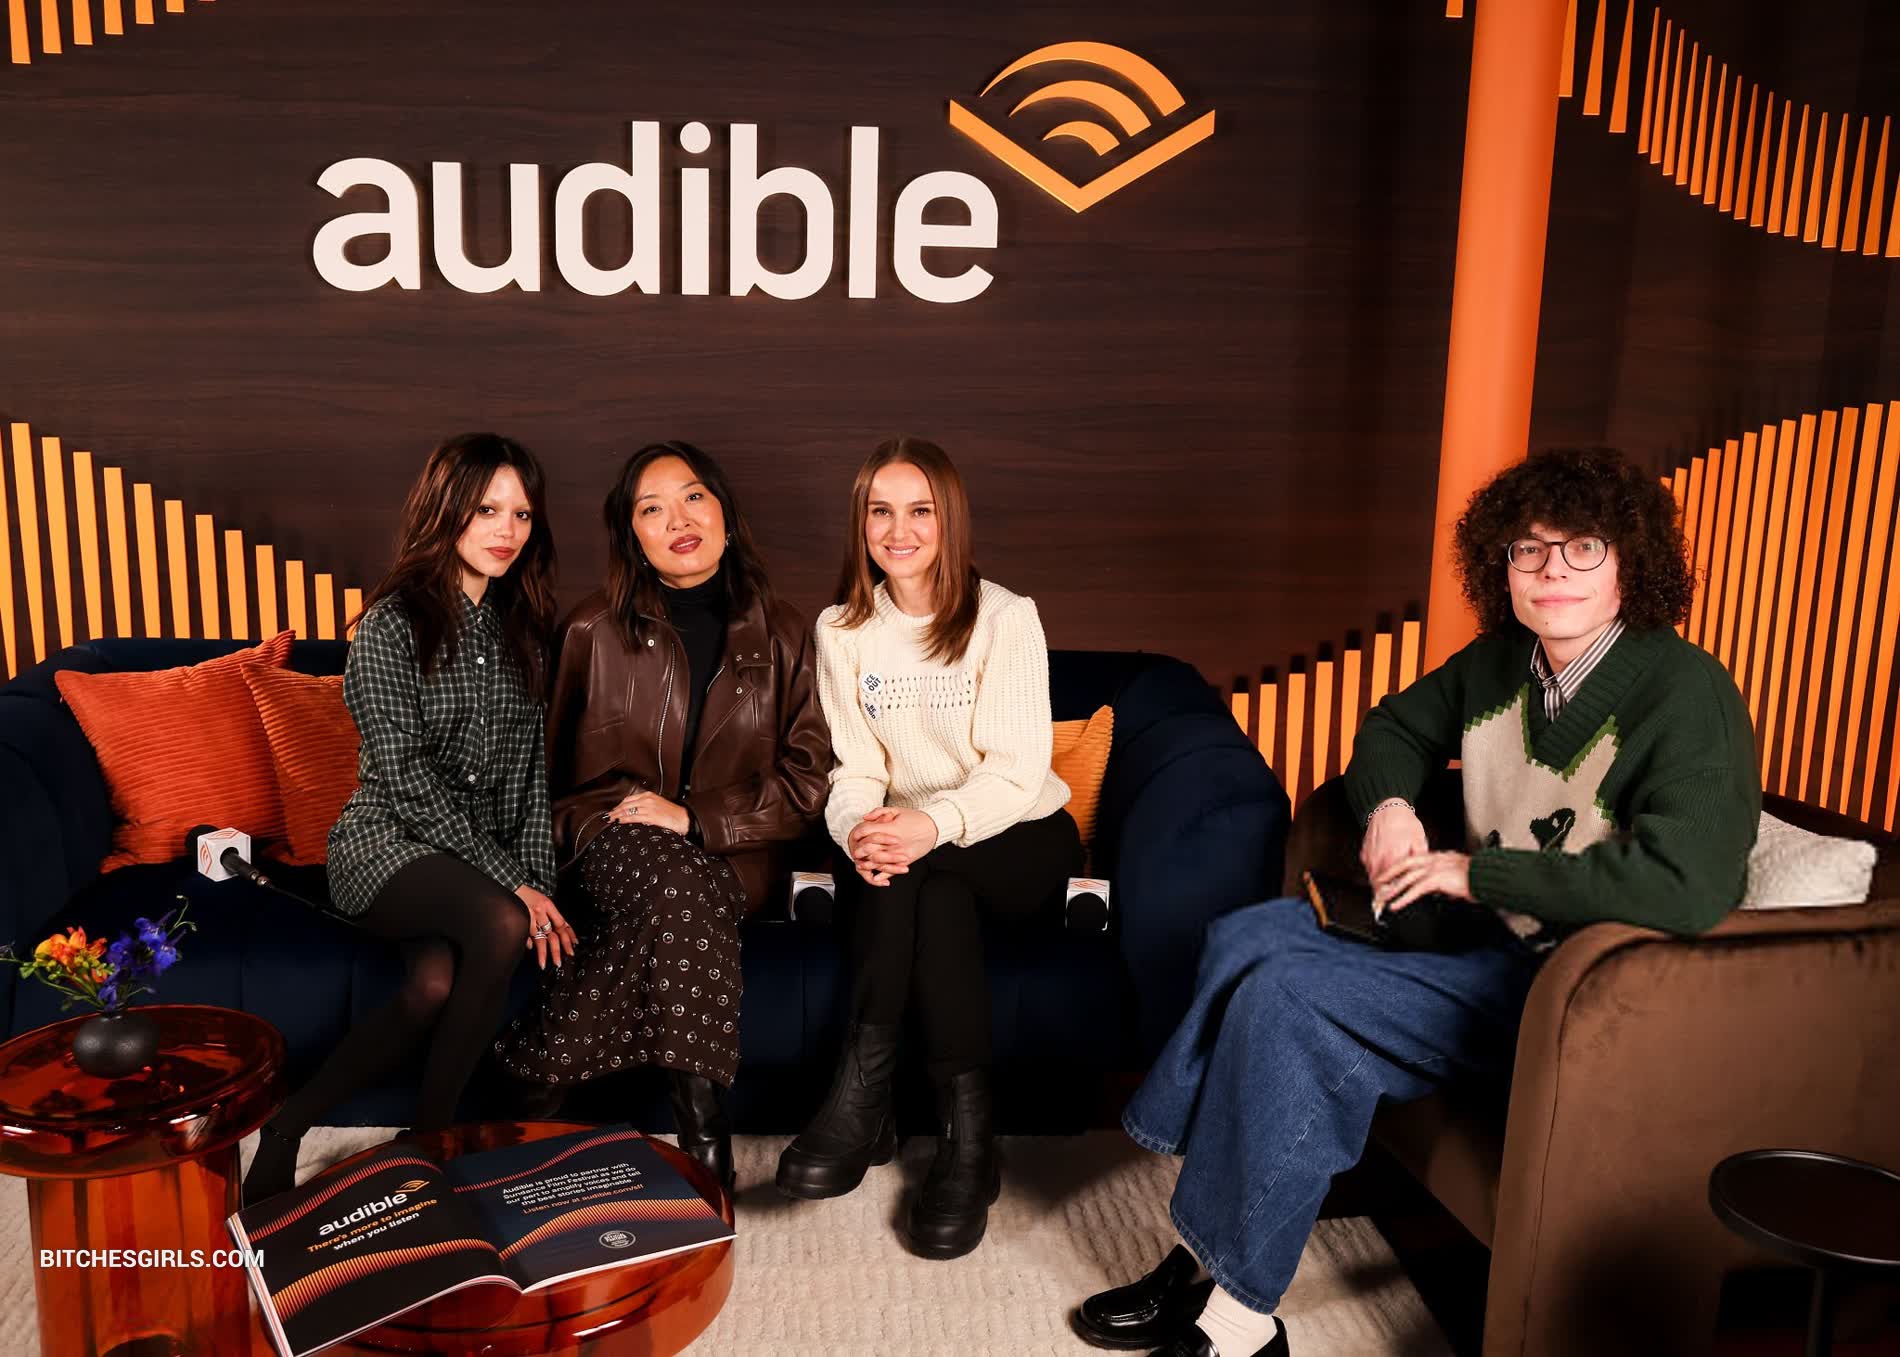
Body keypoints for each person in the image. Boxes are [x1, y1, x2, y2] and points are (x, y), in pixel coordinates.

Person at [1073, 445, 1760, 1357]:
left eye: (1583, 547)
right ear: (1501, 566)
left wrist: (1478, 875)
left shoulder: (1687, 692)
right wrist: (1391, 806)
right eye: (1529, 548)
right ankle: (1204, 1256)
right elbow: (1394, 727)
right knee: (1251, 935)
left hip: (1572, 986)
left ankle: (1238, 1323)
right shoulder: (1503, 662)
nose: (1552, 570)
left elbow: (1688, 883)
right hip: (1476, 939)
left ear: (1631, 561)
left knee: (1289, 1002)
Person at [492, 441, 830, 1193]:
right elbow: (540, 772)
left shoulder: (783, 633)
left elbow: (809, 783)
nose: (678, 520)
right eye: (652, 508)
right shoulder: (591, 629)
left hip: (733, 860)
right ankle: (705, 1145)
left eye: (693, 497)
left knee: (684, 891)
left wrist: (696, 817)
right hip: (607, 841)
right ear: (632, 535)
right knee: (678, 886)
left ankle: (529, 1083)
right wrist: (534, 871)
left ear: (725, 515)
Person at [775, 436, 1083, 1260]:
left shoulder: (1006, 617)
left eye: (920, 511)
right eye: (881, 511)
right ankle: (967, 1143)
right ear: (861, 523)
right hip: (917, 852)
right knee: (929, 890)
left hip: (1020, 836)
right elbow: (855, 770)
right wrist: (858, 829)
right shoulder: (842, 629)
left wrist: (927, 825)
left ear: (950, 520)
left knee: (920, 866)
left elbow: (1017, 773)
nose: (899, 530)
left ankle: (860, 1102)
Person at [243, 433, 568, 1208]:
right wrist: (515, 886)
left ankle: (287, 1126)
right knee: (499, 921)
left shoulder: (524, 632)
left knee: (431, 985)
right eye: (487, 509)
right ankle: (432, 1140)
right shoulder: (392, 625)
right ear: (446, 511)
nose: (507, 529)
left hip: (470, 861)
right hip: (386, 845)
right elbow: (406, 780)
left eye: (521, 513)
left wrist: (540, 886)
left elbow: (530, 780)